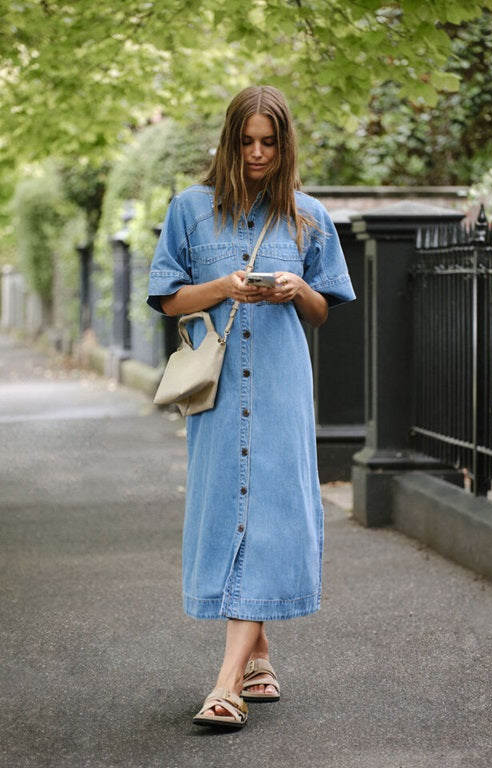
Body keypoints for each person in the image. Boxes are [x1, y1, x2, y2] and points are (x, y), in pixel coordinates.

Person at [147, 85, 355, 729]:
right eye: (247, 141)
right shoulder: (188, 209)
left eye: (270, 142)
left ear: (285, 144)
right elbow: (167, 299)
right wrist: (220, 287)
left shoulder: (309, 216)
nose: (258, 153)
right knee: (230, 509)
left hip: (281, 387)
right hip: (219, 393)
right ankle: (259, 656)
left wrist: (295, 289)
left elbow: (324, 310)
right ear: (230, 141)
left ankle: (228, 681)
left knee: (268, 512)